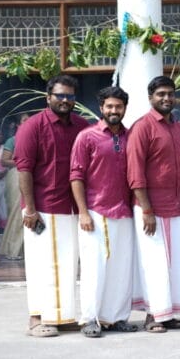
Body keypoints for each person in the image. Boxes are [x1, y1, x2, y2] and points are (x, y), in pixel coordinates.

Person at [14, 76, 90, 337]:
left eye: (70, 96)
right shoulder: (32, 127)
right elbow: (24, 170)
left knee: (67, 265)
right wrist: (30, 209)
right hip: (42, 207)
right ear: (48, 98)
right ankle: (36, 319)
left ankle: (61, 316)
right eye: (60, 96)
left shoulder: (81, 126)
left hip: (71, 207)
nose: (65, 100)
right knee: (40, 264)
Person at [126, 76, 180, 334]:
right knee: (154, 263)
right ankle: (153, 314)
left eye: (170, 94)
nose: (166, 98)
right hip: (152, 208)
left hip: (177, 206)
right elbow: (135, 171)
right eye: (161, 94)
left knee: (175, 263)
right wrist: (146, 209)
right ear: (150, 98)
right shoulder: (142, 127)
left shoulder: (178, 128)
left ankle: (169, 313)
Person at [69, 86, 138, 337]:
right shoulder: (87, 137)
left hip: (125, 212)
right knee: (94, 268)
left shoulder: (131, 137)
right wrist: (83, 212)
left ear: (125, 109)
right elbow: (76, 176)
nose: (114, 110)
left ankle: (116, 318)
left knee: (121, 268)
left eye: (118, 106)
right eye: (109, 106)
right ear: (101, 108)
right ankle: (90, 319)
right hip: (96, 212)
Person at [0, 114, 29, 260]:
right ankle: (12, 249)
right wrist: (24, 162)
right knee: (16, 212)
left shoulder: (36, 138)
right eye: (24, 120)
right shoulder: (12, 140)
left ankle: (26, 250)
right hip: (16, 175)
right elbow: (4, 161)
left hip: (31, 176)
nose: (28, 122)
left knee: (29, 211)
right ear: (18, 124)